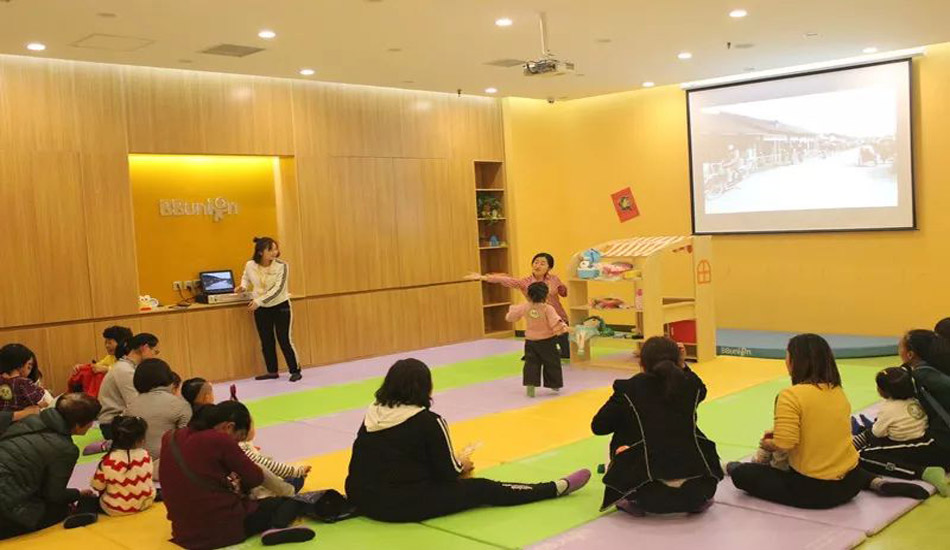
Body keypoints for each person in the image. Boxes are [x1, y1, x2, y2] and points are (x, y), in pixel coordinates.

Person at [345, 358, 590, 522]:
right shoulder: (429, 421)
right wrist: (462, 463)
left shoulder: (373, 413)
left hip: (361, 497)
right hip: (401, 506)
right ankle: (553, 488)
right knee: (483, 488)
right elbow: (448, 473)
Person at [728, 334, 929, 509]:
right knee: (840, 459)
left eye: (787, 356)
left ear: (796, 362)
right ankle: (875, 482)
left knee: (743, 473)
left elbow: (784, 444)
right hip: (850, 484)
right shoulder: (837, 391)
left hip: (816, 490)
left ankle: (731, 466)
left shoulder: (790, 395)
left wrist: (767, 444)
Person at [591, 336, 722, 515]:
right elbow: (701, 390)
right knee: (684, 428)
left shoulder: (628, 389)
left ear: (642, 363)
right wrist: (683, 366)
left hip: (647, 496)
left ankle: (628, 495)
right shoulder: (690, 386)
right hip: (699, 492)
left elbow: (599, 427)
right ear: (678, 360)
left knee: (626, 429)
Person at [160, 401, 315, 549]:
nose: (238, 444)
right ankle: (278, 526)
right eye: (239, 438)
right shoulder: (220, 439)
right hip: (223, 528)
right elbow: (255, 478)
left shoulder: (170, 437)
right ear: (229, 427)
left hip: (183, 532)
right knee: (293, 501)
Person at [859, 330, 950, 495]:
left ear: (910, 354)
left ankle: (923, 472)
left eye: (900, 346)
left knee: (864, 456)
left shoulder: (920, 377)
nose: (898, 349)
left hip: (940, 444)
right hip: (938, 439)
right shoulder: (933, 369)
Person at [0, 393, 101, 539]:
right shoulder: (65, 449)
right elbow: (54, 495)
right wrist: (78, 494)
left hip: (10, 487)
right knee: (59, 509)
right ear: (78, 425)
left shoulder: (30, 421)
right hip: (7, 509)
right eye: (91, 421)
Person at [467, 252, 571, 359]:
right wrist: (483, 277)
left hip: (557, 316)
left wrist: (565, 289)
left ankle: (548, 351)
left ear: (549, 268)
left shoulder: (554, 279)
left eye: (542, 263)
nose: (538, 266)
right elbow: (506, 279)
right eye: (536, 262)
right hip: (538, 320)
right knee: (538, 342)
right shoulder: (525, 282)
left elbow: (563, 293)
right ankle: (534, 353)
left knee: (566, 352)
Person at [236, 237, 302, 383]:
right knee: (266, 340)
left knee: (284, 339)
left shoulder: (282, 266)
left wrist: (258, 301)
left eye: (275, 249)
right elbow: (246, 277)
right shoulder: (250, 265)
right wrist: (243, 287)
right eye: (270, 250)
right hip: (261, 308)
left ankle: (295, 370)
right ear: (260, 252)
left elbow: (278, 289)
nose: (274, 252)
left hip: (280, 306)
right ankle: (272, 371)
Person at [85, 333, 161, 455]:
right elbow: (135, 404)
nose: (155, 356)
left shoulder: (127, 367)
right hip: (114, 424)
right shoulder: (125, 370)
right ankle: (110, 445)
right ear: (145, 348)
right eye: (155, 352)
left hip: (117, 421)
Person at [126, 359, 192, 479]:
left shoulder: (130, 407)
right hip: (167, 468)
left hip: (135, 468)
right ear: (168, 377)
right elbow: (187, 442)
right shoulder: (180, 405)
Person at [505, 282, 570, 397]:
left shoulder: (525, 307)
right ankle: (554, 384)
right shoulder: (547, 308)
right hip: (547, 341)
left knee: (531, 364)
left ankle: (530, 385)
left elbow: (511, 317)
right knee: (552, 363)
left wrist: (511, 312)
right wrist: (563, 330)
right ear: (545, 295)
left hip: (530, 341)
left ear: (529, 295)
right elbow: (555, 322)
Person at [86, 415, 156, 518]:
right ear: (141, 439)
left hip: (117, 509)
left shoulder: (109, 461)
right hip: (146, 502)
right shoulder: (145, 455)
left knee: (87, 500)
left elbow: (97, 486)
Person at [239, 418, 311, 498]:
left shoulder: (240, 445)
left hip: (252, 488)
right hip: (261, 493)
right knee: (297, 478)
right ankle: (287, 493)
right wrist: (297, 472)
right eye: (252, 426)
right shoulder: (242, 449)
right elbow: (269, 466)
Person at [69, 326, 134, 398]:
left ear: (122, 343)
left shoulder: (131, 358)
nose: (107, 346)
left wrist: (106, 370)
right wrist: (81, 367)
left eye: (110, 343)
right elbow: (97, 366)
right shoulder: (110, 357)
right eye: (106, 342)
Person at [0, 344, 54, 412]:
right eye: (29, 366)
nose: (30, 371)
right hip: (24, 416)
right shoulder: (24, 382)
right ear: (20, 365)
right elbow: (38, 400)